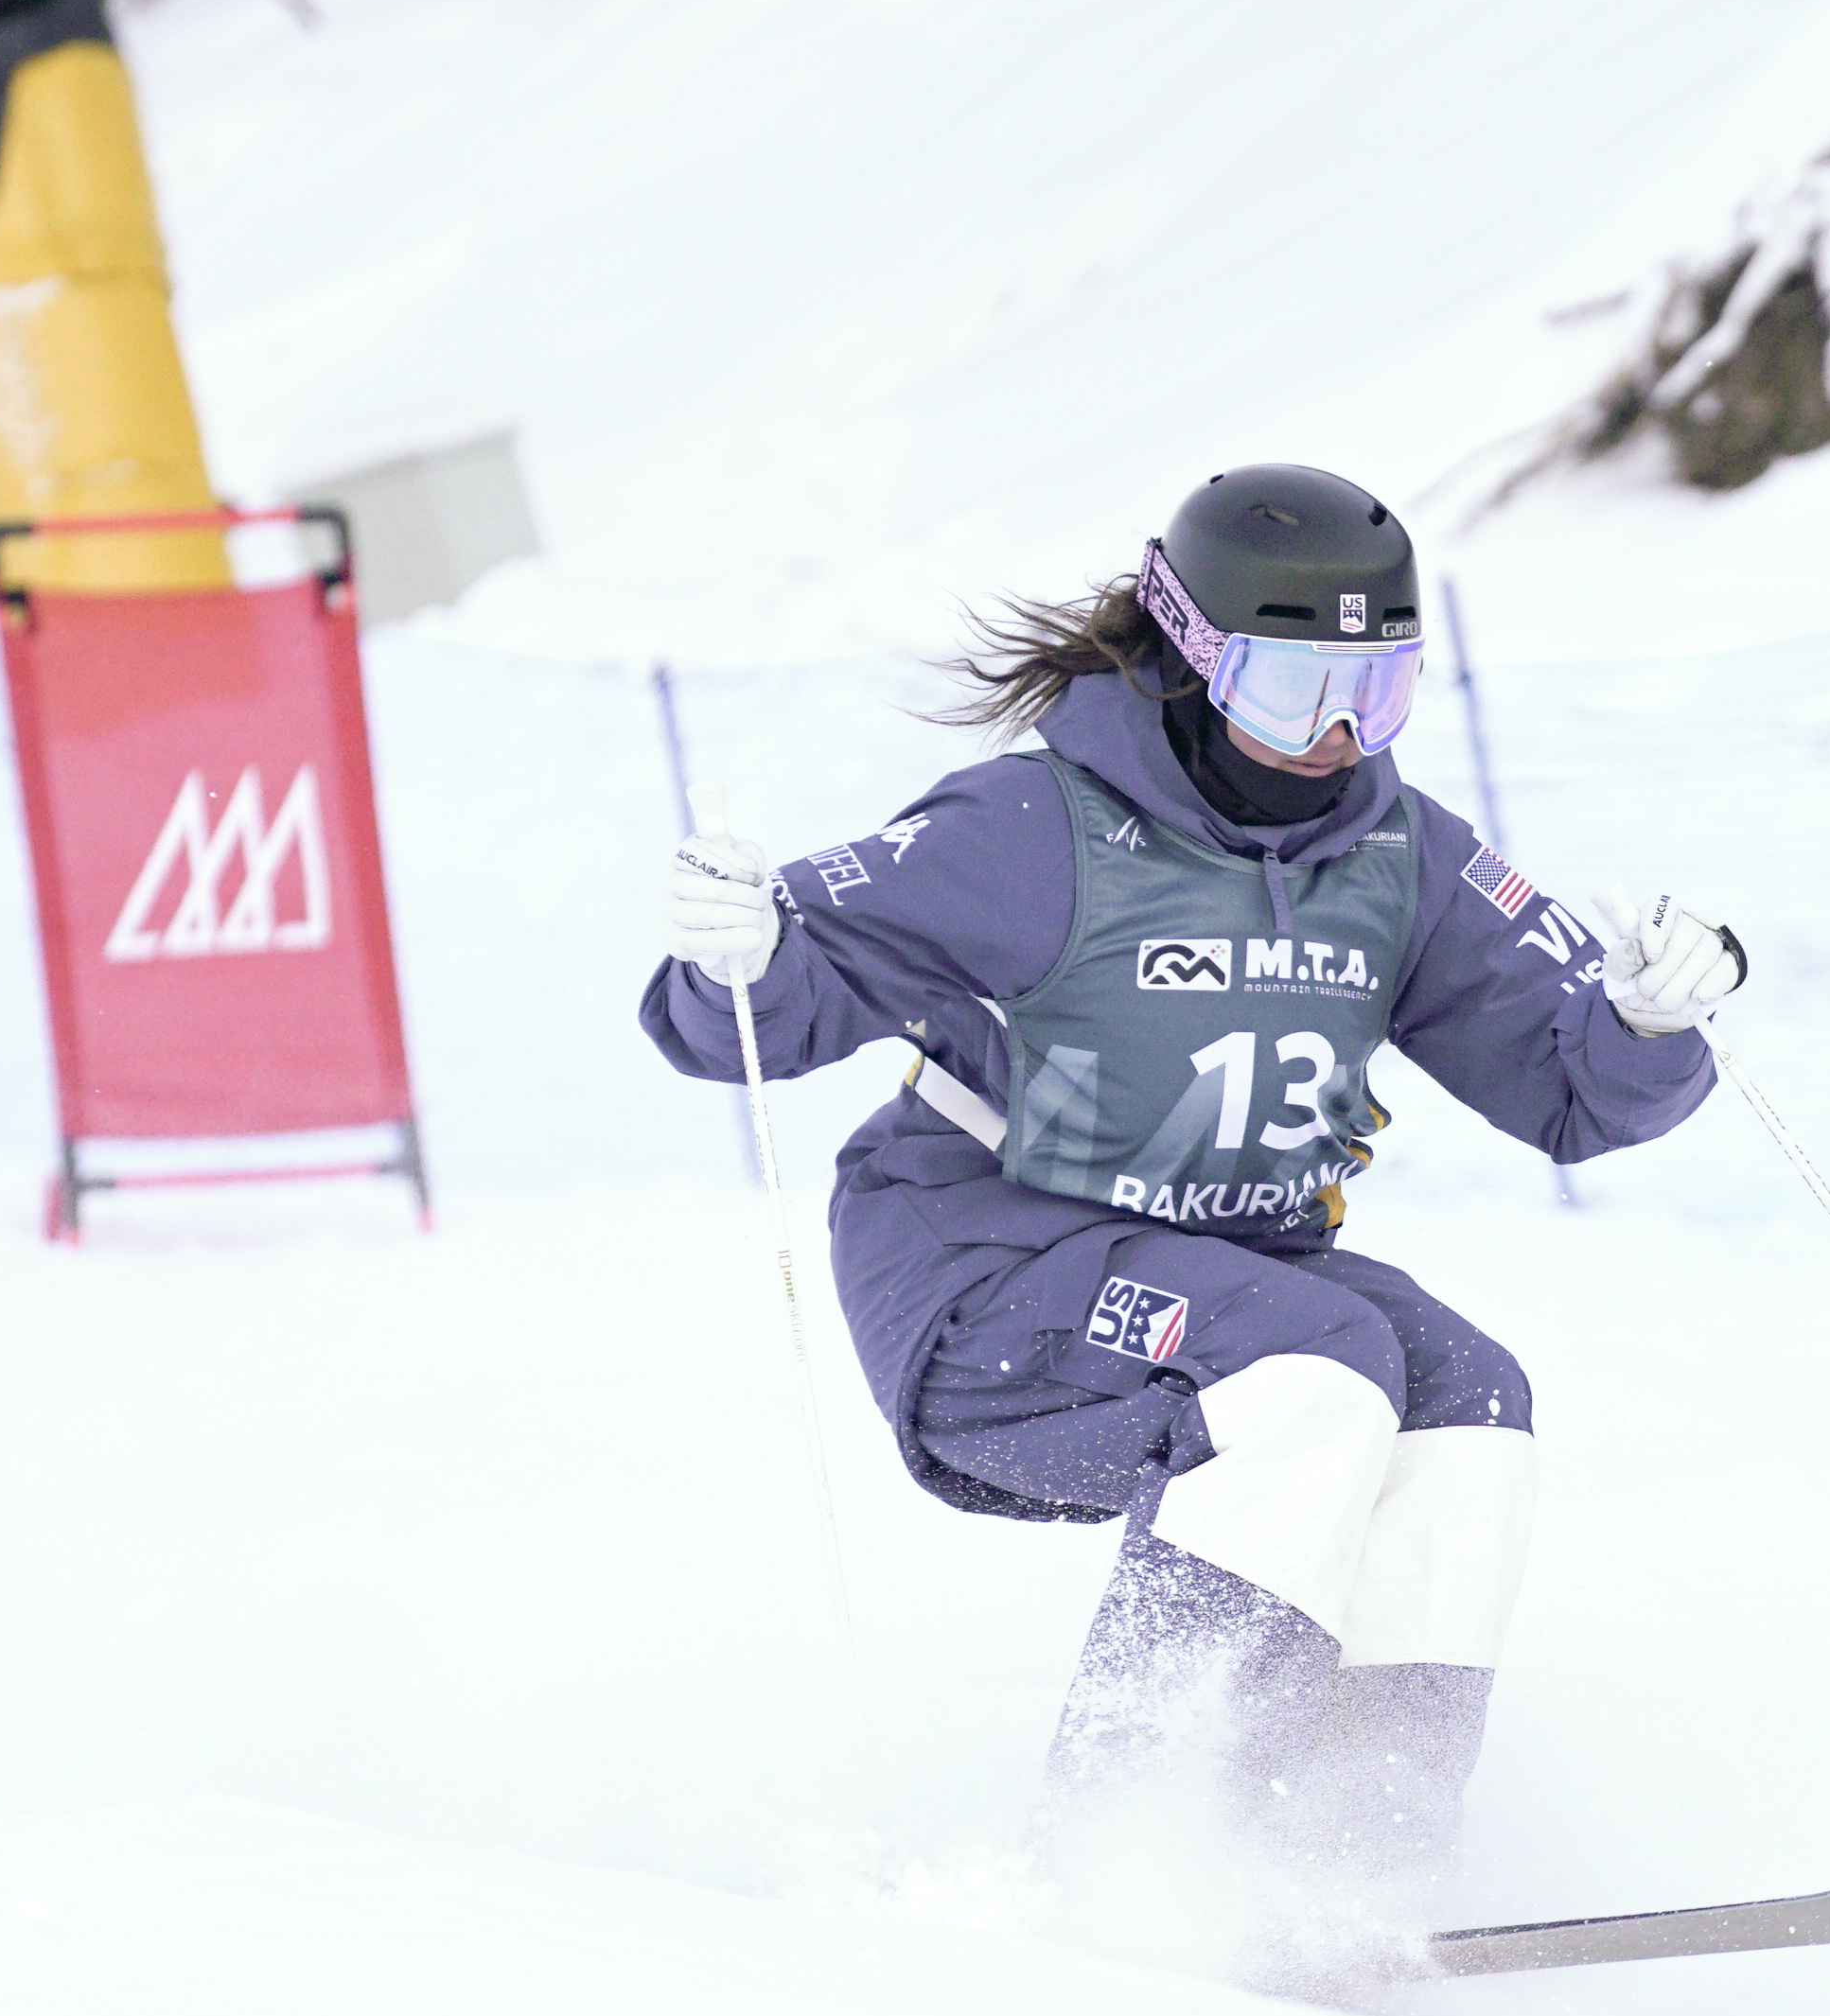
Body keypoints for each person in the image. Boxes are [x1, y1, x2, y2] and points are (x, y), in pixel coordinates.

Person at [638, 465, 1746, 1895]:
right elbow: (763, 1005)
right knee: (1314, 1366)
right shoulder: (1037, 829)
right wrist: (734, 949)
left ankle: (1364, 1855)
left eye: (1384, 689)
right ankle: (1131, 1842)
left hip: (1228, 1281)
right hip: (984, 1280)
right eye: (1296, 690)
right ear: (1191, 658)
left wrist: (1648, 1023)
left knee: (1469, 1394)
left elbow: (1566, 1085)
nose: (1340, 736)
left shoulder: (1398, 855)